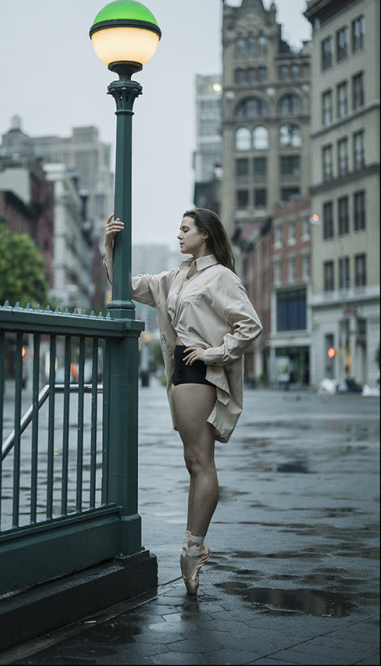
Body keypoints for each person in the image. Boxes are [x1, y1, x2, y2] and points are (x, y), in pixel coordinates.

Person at [104, 208, 262, 595]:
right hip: (178, 375)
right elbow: (125, 286)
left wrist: (215, 354)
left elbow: (250, 324)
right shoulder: (175, 277)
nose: (179, 235)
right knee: (193, 462)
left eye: (185, 229)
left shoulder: (221, 277)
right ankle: (193, 548)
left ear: (205, 234)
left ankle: (192, 550)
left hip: (198, 372)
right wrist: (109, 246)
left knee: (200, 461)